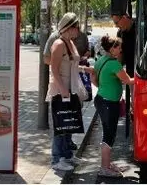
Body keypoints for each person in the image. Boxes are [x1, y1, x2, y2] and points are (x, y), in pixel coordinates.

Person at [88, 35, 134, 178]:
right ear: (112, 48)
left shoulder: (101, 60)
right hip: (108, 102)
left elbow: (94, 80)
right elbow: (128, 81)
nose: (120, 50)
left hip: (101, 99)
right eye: (118, 47)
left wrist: (107, 86)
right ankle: (104, 168)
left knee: (108, 132)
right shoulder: (114, 64)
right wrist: (141, 76)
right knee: (109, 134)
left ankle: (107, 164)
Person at [45, 12, 85, 172]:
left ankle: (67, 155)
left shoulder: (70, 42)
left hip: (71, 89)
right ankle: (57, 159)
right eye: (77, 27)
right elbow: (53, 69)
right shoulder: (59, 44)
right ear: (69, 27)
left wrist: (85, 69)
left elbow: (72, 64)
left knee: (69, 123)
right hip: (61, 90)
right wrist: (62, 89)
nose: (79, 30)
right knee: (60, 125)